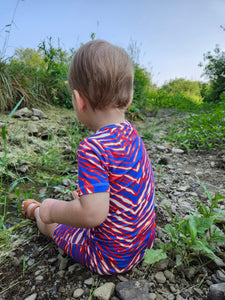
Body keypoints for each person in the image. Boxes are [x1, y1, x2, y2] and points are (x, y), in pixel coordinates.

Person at [21, 40, 155, 275]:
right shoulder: (132, 134)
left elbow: (92, 215)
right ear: (129, 98)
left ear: (78, 100)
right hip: (142, 244)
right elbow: (128, 183)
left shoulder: (92, 147)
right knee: (82, 202)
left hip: (111, 257)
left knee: (53, 224)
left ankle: (34, 211)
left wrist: (52, 209)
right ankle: (69, 204)